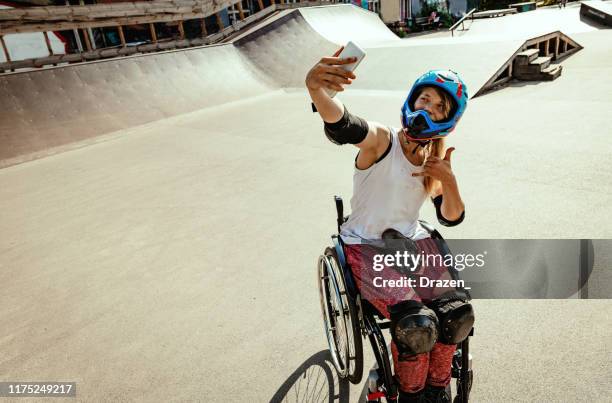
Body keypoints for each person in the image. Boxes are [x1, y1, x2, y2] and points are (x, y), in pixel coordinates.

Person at [306, 48, 474, 403]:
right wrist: (317, 91)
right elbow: (345, 125)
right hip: (366, 245)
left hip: (412, 244)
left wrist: (450, 180)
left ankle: (437, 389)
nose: (426, 108)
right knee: (417, 326)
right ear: (411, 101)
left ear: (448, 119)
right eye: (423, 99)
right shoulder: (382, 141)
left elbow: (451, 216)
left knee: (456, 315)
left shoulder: (434, 162)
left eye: (438, 106)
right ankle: (412, 395)